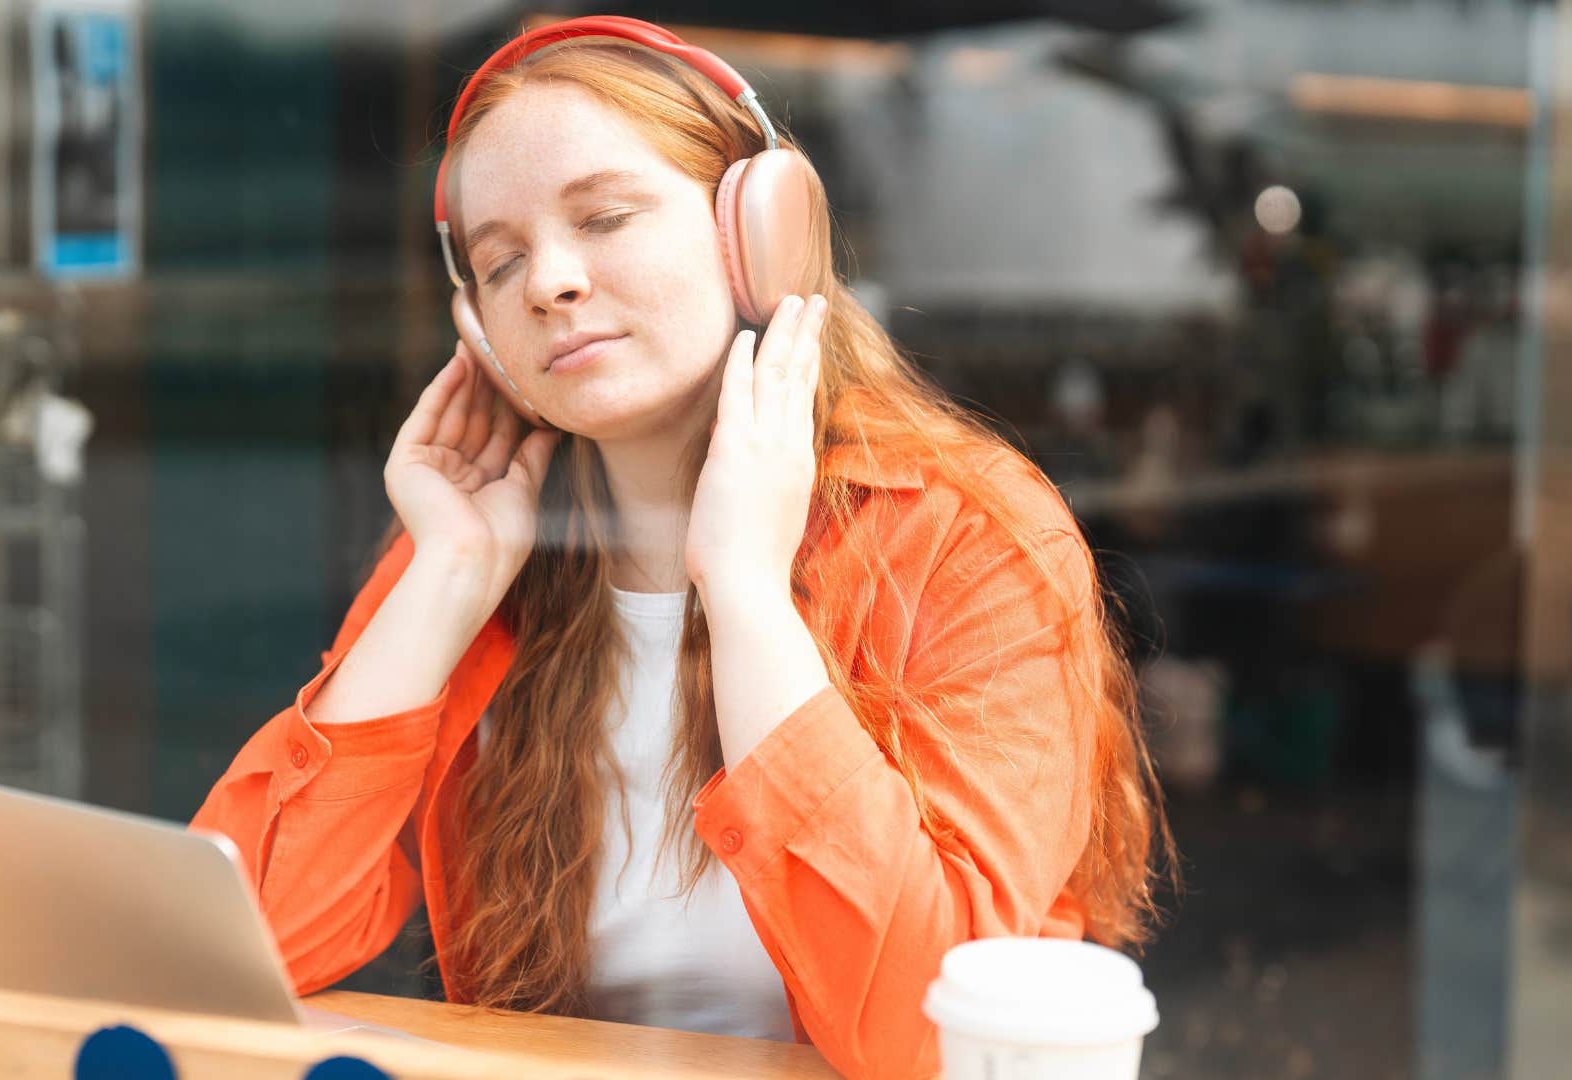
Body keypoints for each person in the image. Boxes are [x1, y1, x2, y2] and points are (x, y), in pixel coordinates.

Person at [192, 18, 1173, 1078]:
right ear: (475, 323)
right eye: (500, 260)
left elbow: (925, 1038)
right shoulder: (483, 551)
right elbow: (235, 957)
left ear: (762, 232)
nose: (547, 283)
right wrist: (446, 579)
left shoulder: (966, 539)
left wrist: (745, 594)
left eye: (606, 217)